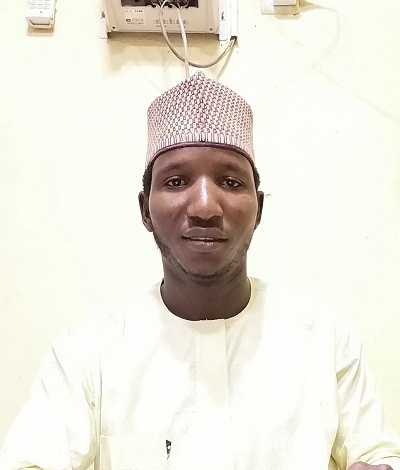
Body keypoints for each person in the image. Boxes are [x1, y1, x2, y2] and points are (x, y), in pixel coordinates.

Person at [1, 72, 399, 470]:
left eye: (230, 181)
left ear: (259, 209)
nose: (205, 206)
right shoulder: (90, 351)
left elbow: (378, 455)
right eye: (176, 181)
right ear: (145, 210)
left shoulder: (324, 339)